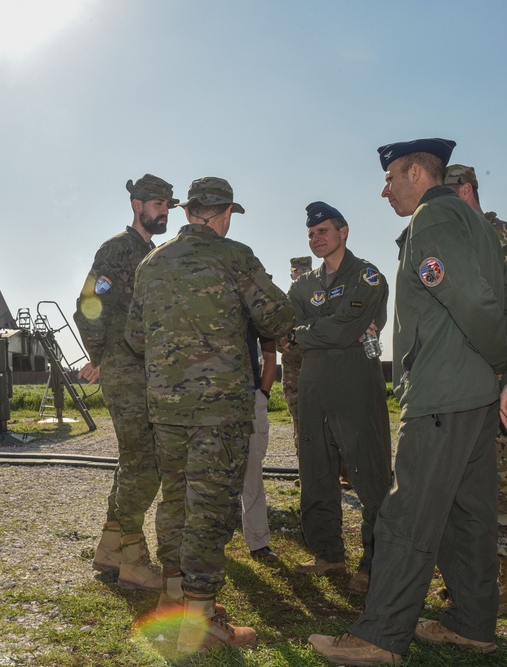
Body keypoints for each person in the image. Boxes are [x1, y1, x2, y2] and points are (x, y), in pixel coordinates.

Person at [309, 138, 507, 665]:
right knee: (469, 515)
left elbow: (476, 304)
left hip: (443, 393)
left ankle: (379, 635)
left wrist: (504, 362)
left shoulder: (431, 221)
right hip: (475, 397)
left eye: (390, 179)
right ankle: (471, 622)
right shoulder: (477, 224)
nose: (384, 191)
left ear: (415, 174)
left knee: (405, 515)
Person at [125, 177, 294, 654]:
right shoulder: (235, 256)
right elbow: (277, 316)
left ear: (185, 212)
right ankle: (199, 626)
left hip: (166, 409)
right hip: (219, 411)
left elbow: (135, 339)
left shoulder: (151, 263)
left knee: (175, 501)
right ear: (223, 214)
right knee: (211, 509)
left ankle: (171, 604)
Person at [445, 164, 507, 613]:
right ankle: (476, 578)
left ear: (466, 190)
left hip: (500, 385)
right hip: (458, 386)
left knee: (504, 481)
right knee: (464, 485)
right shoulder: (452, 239)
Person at [73, 173, 177, 591]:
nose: (164, 211)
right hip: (128, 370)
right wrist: (105, 357)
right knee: (146, 462)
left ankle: (110, 548)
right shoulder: (118, 249)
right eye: (157, 204)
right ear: (137, 205)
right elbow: (87, 305)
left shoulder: (151, 251)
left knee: (136, 459)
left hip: (144, 370)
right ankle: (133, 559)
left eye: (168, 204)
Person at [287, 201, 391, 597]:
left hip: (356, 386)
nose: (316, 238)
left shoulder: (368, 275)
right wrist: (312, 332)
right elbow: (287, 330)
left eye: (323, 231)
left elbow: (348, 329)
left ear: (343, 232)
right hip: (313, 387)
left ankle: (375, 562)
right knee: (316, 473)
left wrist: (305, 333)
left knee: (371, 477)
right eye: (311, 234)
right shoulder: (302, 286)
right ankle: (327, 553)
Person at [242, 325, 278, 563]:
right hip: (208, 399)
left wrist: (262, 395)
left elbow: (269, 354)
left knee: (251, 473)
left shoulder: (253, 301)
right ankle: (209, 541)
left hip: (249, 396)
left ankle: (258, 542)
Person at [280, 257, 312, 454]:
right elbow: (277, 339)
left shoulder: (321, 299)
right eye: (297, 272)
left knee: (331, 422)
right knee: (300, 425)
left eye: (305, 271)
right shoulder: (283, 304)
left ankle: (341, 473)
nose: (301, 275)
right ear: (291, 275)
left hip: (323, 369)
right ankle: (307, 477)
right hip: (295, 375)